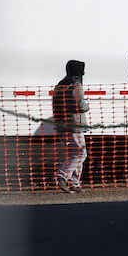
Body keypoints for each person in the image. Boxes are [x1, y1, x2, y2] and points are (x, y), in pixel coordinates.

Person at [52, 60, 89, 193]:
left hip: (61, 124)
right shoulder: (76, 84)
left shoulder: (60, 84)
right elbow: (78, 104)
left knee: (73, 153)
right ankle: (62, 175)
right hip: (74, 124)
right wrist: (86, 107)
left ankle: (75, 183)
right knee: (81, 153)